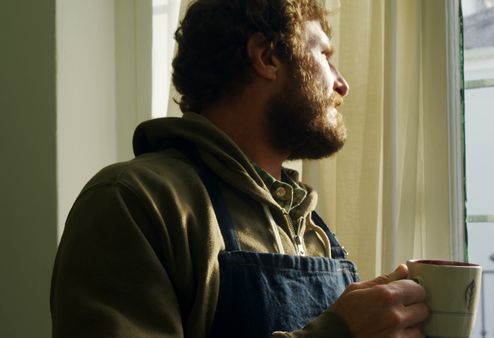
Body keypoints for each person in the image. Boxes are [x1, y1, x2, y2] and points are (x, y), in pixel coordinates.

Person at [50, 0, 429, 337]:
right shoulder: (135, 202)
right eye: (325, 56)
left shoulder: (313, 232)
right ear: (266, 57)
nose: (341, 83)